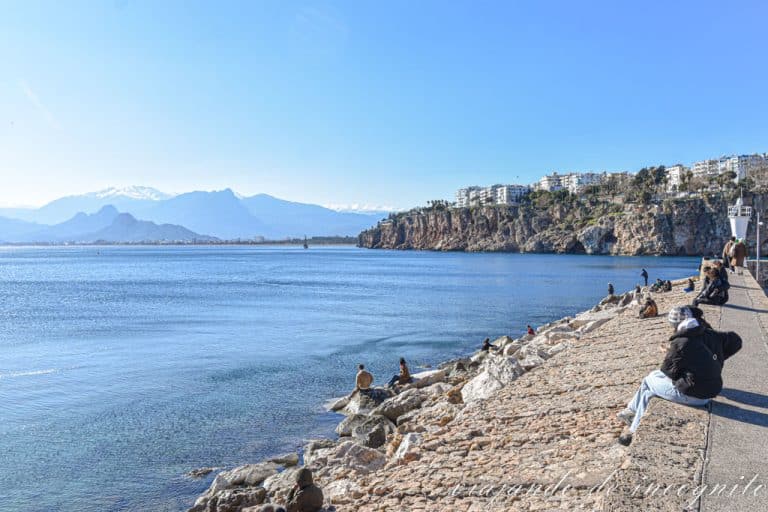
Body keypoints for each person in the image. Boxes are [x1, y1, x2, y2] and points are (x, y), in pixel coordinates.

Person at [616, 306, 742, 446]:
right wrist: (719, 359)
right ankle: (633, 419)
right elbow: (736, 340)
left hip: (693, 395)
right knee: (648, 394)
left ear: (676, 325)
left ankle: (632, 420)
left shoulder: (681, 342)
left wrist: (670, 352)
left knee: (649, 379)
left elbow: (667, 372)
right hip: (708, 391)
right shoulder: (709, 333)